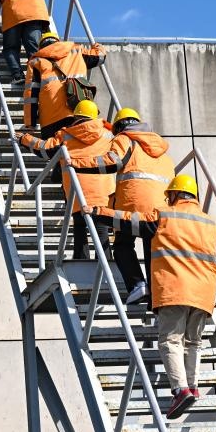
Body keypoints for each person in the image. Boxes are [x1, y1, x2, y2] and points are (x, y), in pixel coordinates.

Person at [83, 174, 216, 419]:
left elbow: (129, 220)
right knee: (193, 343)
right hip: (203, 295)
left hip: (174, 290)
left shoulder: (164, 215)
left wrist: (98, 211)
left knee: (171, 340)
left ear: (174, 195)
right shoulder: (211, 225)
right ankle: (193, 387)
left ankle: (180, 390)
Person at [70, 107, 173, 305]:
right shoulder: (162, 151)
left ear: (119, 127)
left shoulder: (125, 138)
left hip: (133, 205)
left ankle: (137, 284)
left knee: (122, 245)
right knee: (153, 250)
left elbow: (111, 161)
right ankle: (156, 297)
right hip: (161, 211)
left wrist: (76, 164)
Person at [15, 100, 132, 260]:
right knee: (102, 229)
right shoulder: (109, 134)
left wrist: (24, 139)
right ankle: (105, 266)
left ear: (76, 116)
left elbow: (45, 149)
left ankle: (81, 260)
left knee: (80, 226)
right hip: (105, 193)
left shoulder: (66, 135)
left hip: (77, 192)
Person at [22, 32, 107, 140]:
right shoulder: (76, 50)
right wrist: (97, 46)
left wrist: (30, 122)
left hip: (51, 119)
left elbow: (31, 94)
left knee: (54, 153)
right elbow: (100, 57)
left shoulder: (36, 61)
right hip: (79, 113)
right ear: (58, 41)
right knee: (78, 150)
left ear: (41, 46)